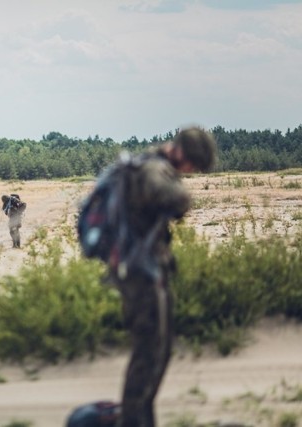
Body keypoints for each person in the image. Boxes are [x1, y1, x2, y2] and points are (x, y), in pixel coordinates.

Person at [112, 127, 216, 426]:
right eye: (192, 165)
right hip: (140, 276)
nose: (191, 172)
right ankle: (134, 421)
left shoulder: (152, 166)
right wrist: (181, 193)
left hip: (148, 272)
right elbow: (174, 199)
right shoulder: (153, 169)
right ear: (181, 153)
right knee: (148, 355)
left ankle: (141, 419)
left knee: (158, 352)